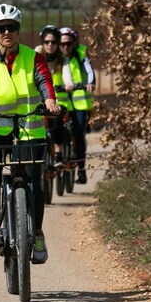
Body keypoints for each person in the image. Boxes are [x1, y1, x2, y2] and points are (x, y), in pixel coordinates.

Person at [0, 4, 60, 264]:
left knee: (34, 178)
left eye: (12, 27)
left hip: (30, 125)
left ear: (19, 30)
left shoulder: (34, 57)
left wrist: (50, 101)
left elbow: (44, 81)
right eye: (1, 29)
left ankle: (38, 233)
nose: (7, 32)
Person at [58, 27, 95, 184]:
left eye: (69, 44)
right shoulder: (56, 56)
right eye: (62, 44)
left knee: (79, 135)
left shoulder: (81, 53)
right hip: (62, 99)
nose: (65, 47)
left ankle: (81, 170)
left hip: (80, 101)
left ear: (74, 43)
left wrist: (90, 82)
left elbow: (90, 71)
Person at [35, 24, 73, 167]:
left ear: (58, 43)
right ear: (42, 42)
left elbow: (68, 79)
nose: (50, 45)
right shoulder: (37, 56)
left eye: (53, 42)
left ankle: (58, 153)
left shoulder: (63, 60)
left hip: (58, 101)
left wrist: (67, 86)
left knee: (57, 122)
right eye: (46, 42)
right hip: (40, 100)